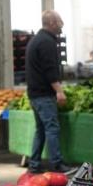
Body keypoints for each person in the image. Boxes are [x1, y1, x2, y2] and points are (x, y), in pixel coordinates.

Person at [26, 11, 73, 173]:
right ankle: (57, 163)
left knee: (41, 129)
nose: (62, 24)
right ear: (52, 22)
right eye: (60, 21)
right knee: (52, 128)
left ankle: (34, 164)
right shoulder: (47, 42)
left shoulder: (36, 40)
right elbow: (49, 70)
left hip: (34, 93)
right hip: (44, 94)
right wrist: (59, 91)